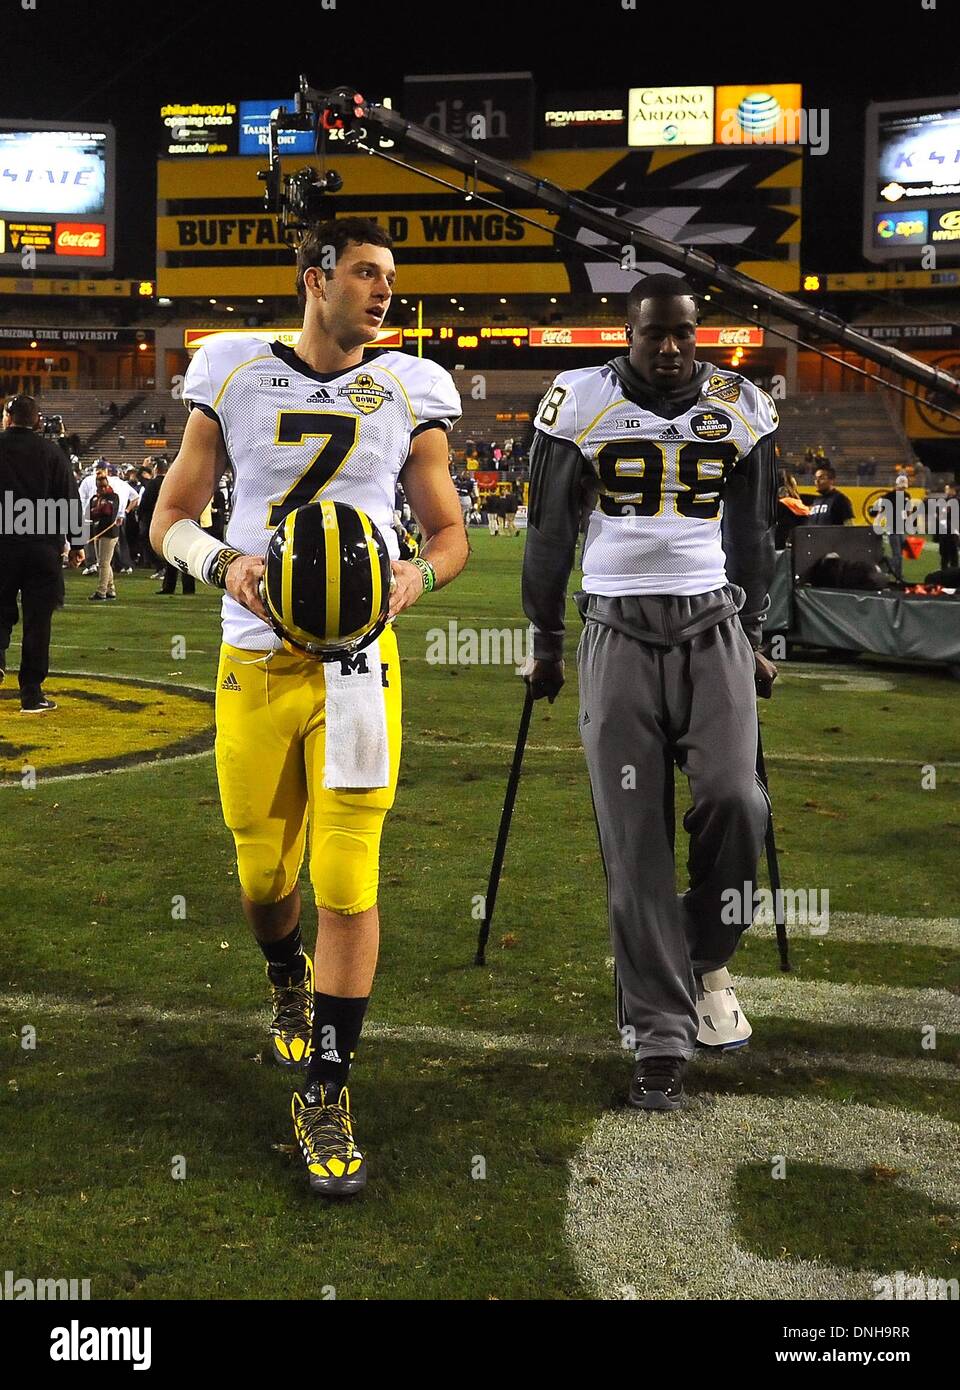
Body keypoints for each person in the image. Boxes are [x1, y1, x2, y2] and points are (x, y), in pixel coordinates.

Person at [151, 216, 467, 1197]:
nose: (384, 291)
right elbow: (169, 518)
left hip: (359, 665)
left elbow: (449, 531)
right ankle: (284, 974)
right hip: (255, 657)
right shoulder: (235, 368)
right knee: (261, 872)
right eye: (367, 272)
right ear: (315, 276)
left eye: (390, 277)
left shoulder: (410, 383)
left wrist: (414, 577)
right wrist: (226, 562)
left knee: (348, 873)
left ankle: (325, 1087)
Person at [521, 272, 779, 1111]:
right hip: (617, 626)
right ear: (625, 336)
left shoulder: (740, 403)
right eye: (652, 334)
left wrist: (758, 632)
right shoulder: (579, 400)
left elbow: (752, 529)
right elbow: (551, 528)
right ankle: (661, 1030)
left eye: (684, 333)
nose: (670, 348)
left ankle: (702, 955)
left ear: (698, 334)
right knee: (633, 838)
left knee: (738, 800)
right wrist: (547, 641)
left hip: (713, 622)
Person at [0, 394, 86, 712]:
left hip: (2, 546)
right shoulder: (52, 453)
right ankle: (31, 693)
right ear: (37, 421)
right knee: (39, 621)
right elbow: (69, 500)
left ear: (7, 418)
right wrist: (77, 544)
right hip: (41, 548)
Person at [88, 473, 120, 602]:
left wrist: (98, 510)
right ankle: (110, 589)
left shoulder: (113, 496)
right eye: (99, 486)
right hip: (98, 532)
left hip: (109, 533)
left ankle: (101, 591)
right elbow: (92, 513)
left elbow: (107, 511)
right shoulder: (96, 498)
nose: (102, 488)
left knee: (104, 563)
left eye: (104, 486)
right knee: (103, 561)